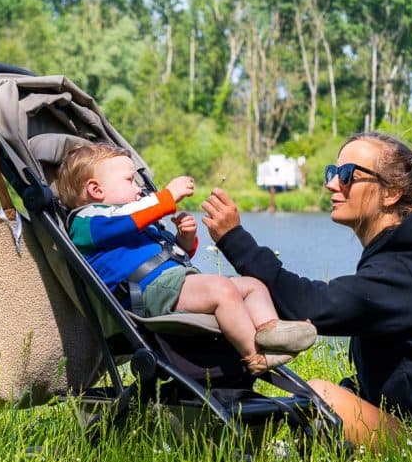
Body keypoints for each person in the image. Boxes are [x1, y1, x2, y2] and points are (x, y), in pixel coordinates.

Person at [201, 133, 412, 451]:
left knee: (318, 396)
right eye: (331, 173)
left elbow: (312, 306)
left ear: (390, 193)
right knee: (338, 396)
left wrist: (235, 239)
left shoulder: (409, 268)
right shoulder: (406, 258)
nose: (332, 184)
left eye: (348, 174)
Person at [56, 143, 317, 375]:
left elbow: (175, 256)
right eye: (129, 181)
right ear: (95, 190)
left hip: (172, 281)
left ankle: (271, 332)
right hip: (145, 293)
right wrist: (166, 197)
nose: (138, 190)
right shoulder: (87, 222)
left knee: (252, 285)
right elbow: (127, 221)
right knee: (222, 290)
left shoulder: (131, 220)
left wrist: (184, 239)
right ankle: (255, 356)